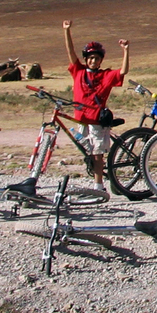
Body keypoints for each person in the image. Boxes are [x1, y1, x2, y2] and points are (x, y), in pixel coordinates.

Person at [63, 20, 129, 191]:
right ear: (86, 59)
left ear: (101, 60)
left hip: (96, 121)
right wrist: (67, 31)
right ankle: (97, 179)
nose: (93, 61)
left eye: (97, 58)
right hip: (81, 120)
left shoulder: (106, 75)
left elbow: (123, 72)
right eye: (90, 58)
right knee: (88, 153)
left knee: (97, 154)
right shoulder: (78, 71)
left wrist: (126, 51)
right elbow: (70, 53)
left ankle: (98, 187)